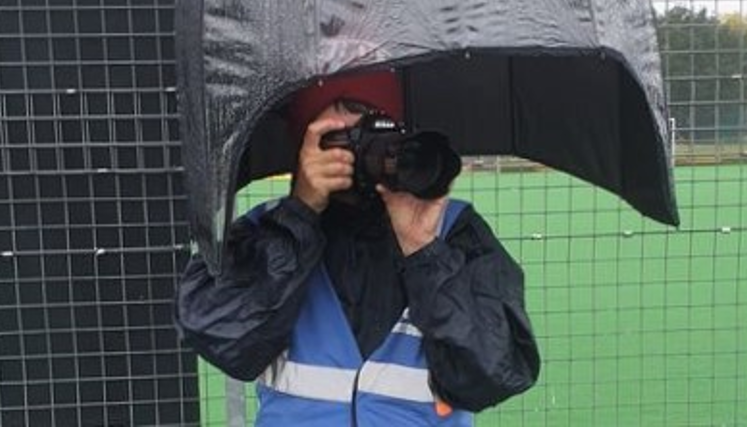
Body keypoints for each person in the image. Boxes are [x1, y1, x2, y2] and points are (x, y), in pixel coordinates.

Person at [174, 70, 540, 426]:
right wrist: (300, 212)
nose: (363, 142)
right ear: (306, 140)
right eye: (343, 131)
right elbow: (223, 338)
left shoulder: (453, 230)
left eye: (375, 120)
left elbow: (494, 373)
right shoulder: (268, 230)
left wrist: (424, 250)